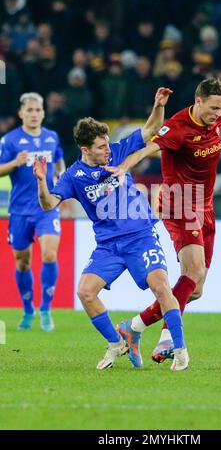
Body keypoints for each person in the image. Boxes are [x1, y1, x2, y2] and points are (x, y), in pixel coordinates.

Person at [33, 87, 189, 372]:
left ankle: (179, 350)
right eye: (101, 147)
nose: (108, 150)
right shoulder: (73, 176)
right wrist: (42, 182)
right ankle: (117, 342)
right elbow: (48, 204)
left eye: (107, 144)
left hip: (141, 236)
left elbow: (152, 128)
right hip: (108, 246)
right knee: (85, 292)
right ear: (85, 150)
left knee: (161, 286)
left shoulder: (118, 151)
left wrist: (158, 105)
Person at [105, 77, 221, 363]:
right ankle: (167, 339)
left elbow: (218, 113)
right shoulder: (177, 128)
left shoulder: (216, 117)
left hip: (206, 206)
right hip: (180, 203)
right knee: (194, 270)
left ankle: (132, 327)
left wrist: (219, 111)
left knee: (195, 289)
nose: (219, 114)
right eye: (214, 108)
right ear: (198, 102)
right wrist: (124, 166)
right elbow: (149, 148)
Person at [0, 92, 65, 331]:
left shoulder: (52, 137)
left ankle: (46, 309)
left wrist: (61, 181)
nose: (34, 114)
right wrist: (15, 163)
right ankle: (28, 310)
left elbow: (59, 162)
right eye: (30, 110)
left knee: (49, 254)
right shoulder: (10, 140)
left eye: (38, 110)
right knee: (22, 263)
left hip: (46, 207)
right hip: (19, 210)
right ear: (21, 113)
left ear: (43, 113)